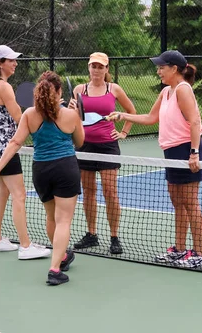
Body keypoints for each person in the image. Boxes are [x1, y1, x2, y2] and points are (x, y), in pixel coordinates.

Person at [108, 50, 202, 268]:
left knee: (191, 204)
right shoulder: (166, 92)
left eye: (162, 67)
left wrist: (194, 153)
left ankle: (199, 253)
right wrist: (123, 115)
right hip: (170, 153)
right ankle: (180, 249)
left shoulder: (183, 89)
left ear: (174, 69)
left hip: (186, 150)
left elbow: (194, 121)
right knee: (177, 203)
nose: (158, 71)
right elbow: (150, 118)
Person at [0, 71, 84, 285]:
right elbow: (80, 142)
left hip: (42, 171)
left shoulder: (29, 114)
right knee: (64, 220)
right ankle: (55, 269)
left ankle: (62, 256)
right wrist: (79, 118)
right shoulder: (70, 115)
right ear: (58, 92)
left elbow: (14, 143)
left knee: (51, 218)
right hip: (65, 168)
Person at [0, 45, 50, 260]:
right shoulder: (5, 88)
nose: (15, 63)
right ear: (0, 63)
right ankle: (25, 246)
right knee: (20, 194)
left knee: (3, 194)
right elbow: (20, 118)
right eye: (11, 60)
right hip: (3, 148)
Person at [69, 52, 136, 255]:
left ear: (106, 69)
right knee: (88, 192)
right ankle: (91, 234)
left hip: (108, 147)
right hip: (84, 146)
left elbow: (130, 111)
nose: (96, 70)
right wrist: (72, 108)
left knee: (110, 192)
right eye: (93, 66)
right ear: (88, 68)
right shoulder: (79, 90)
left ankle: (114, 237)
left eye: (101, 66)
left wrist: (124, 132)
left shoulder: (113, 89)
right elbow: (76, 118)